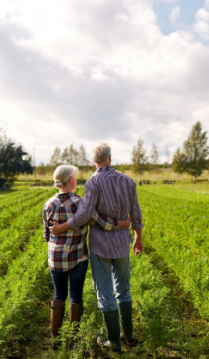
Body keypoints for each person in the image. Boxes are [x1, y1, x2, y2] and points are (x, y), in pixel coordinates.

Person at [50, 143, 143, 352]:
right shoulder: (128, 181)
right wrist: (138, 238)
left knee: (105, 293)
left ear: (94, 161)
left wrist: (62, 227)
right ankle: (128, 335)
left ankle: (114, 342)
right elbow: (136, 213)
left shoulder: (93, 182)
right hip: (121, 244)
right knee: (123, 290)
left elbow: (84, 215)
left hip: (100, 246)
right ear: (110, 158)